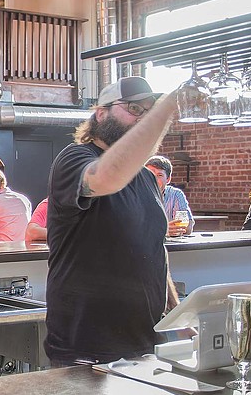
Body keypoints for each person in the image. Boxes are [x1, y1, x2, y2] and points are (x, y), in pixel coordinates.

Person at [44, 76, 183, 366]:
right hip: (86, 344)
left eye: (148, 111)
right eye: (134, 108)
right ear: (101, 113)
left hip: (145, 340)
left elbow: (155, 250)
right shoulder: (74, 158)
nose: (143, 118)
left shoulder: (146, 177)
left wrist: (178, 315)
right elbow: (108, 177)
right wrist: (163, 110)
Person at [145, 155, 194, 236]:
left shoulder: (175, 194)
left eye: (159, 175)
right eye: (150, 175)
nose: (153, 179)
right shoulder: (135, 195)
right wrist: (163, 230)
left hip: (170, 246)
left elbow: (188, 227)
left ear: (168, 179)